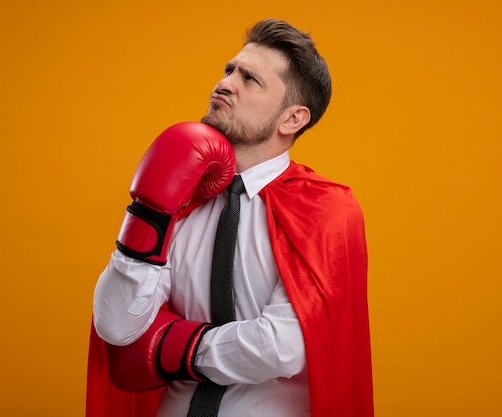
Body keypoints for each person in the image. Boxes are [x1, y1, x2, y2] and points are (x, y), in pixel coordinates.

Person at [86, 18, 373, 417]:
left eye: (250, 79)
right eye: (228, 70)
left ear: (292, 119)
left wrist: (171, 344)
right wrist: (150, 211)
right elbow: (116, 326)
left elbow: (281, 347)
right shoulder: (179, 200)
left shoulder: (326, 211)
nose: (224, 84)